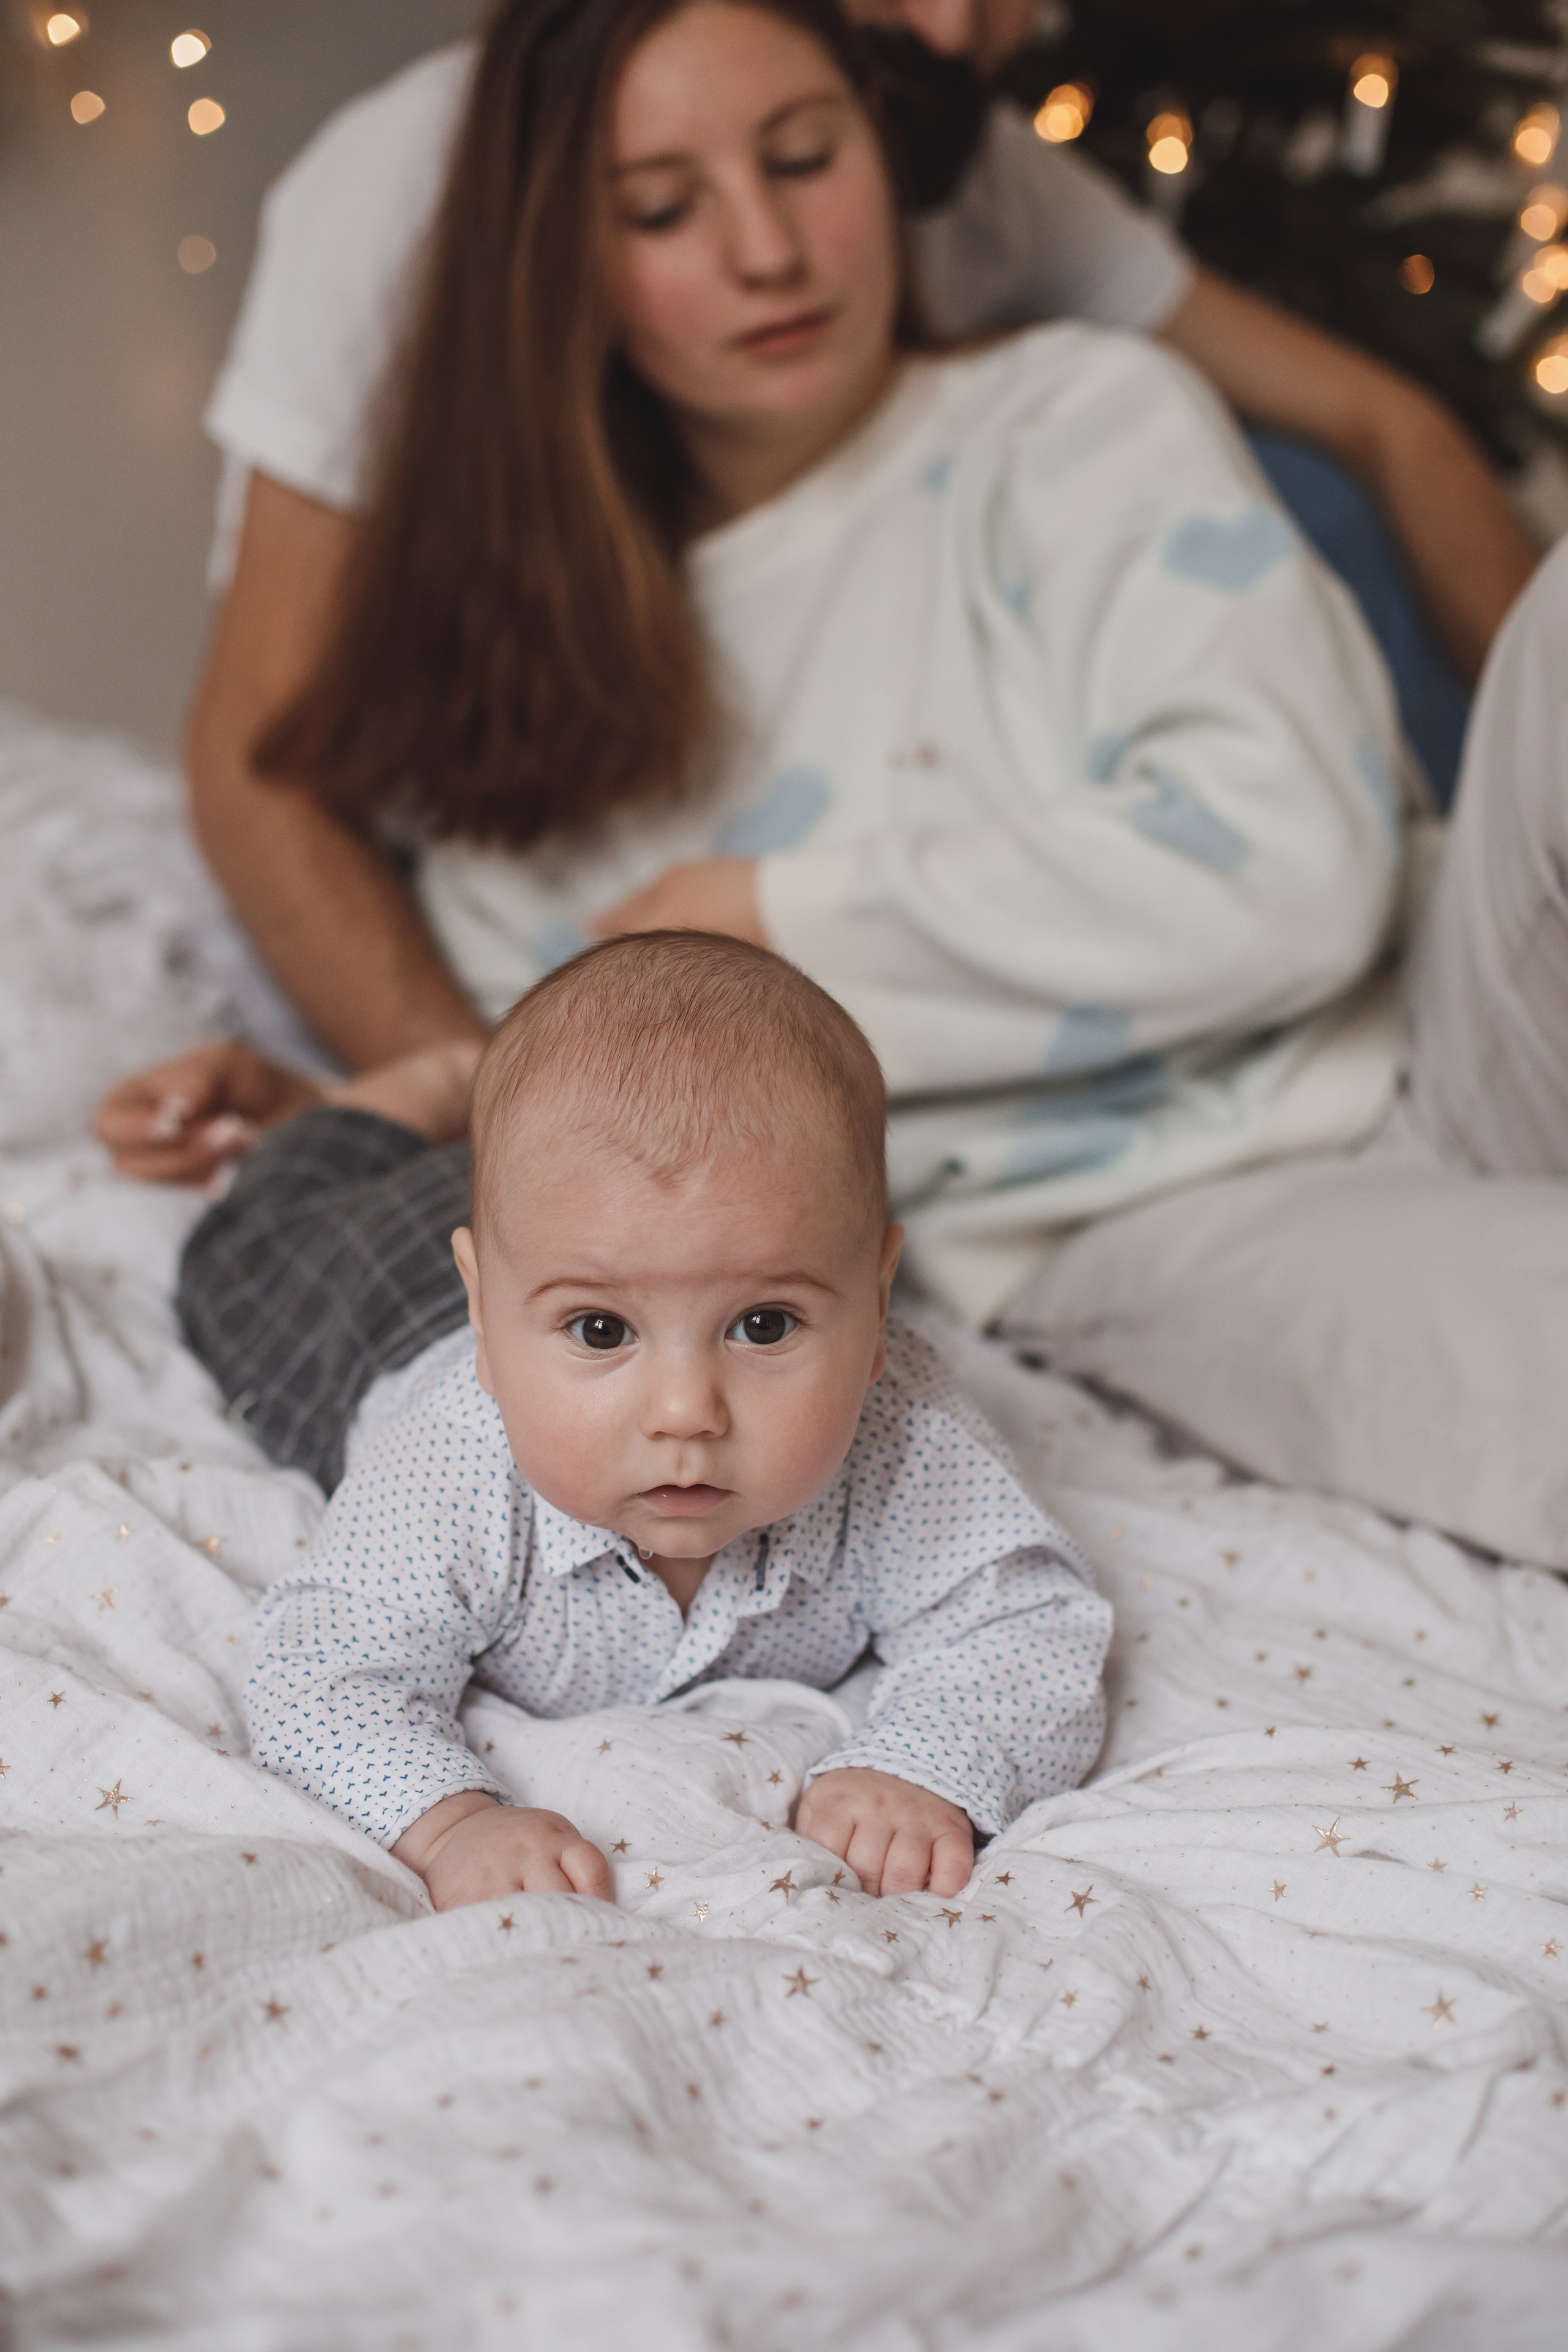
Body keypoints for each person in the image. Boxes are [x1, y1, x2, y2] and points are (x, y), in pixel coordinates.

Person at [162, 0, 1565, 1576]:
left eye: (803, 159)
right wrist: (347, 1113)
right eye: (663, 209)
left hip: (1464, 1004)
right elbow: (595, 1150)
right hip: (1137, 1218)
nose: (765, 249)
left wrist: (764, 919)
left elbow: (1296, 869)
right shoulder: (532, 732)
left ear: (885, 162)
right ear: (571, 263)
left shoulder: (1077, 417)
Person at [246, 933, 1110, 1909]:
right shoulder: (449, 1469)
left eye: (763, 1324)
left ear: (876, 1299)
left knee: (542, 1206)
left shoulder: (904, 1435)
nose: (684, 1412)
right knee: (262, 1242)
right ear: (484, 1315)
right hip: (370, 1310)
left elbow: (1029, 1627)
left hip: (541, 1234)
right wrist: (451, 1823)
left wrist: (929, 1764)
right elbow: (316, 1677)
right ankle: (405, 1095)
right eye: (603, 1329)